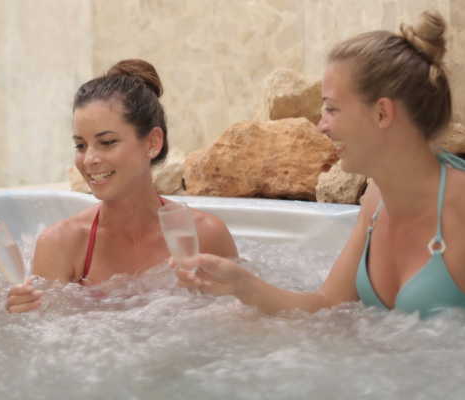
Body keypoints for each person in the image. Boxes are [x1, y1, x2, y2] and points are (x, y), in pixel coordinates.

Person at [176, 10, 465, 319]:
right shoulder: (376, 200)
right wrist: (240, 284)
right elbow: (327, 304)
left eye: (331, 109)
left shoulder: (459, 206)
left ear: (382, 113)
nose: (321, 126)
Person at [5, 59, 238, 313]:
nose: (89, 159)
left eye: (106, 142)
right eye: (80, 145)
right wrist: (23, 314)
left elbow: (238, 328)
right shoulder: (61, 244)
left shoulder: (205, 235)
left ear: (152, 142)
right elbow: (51, 341)